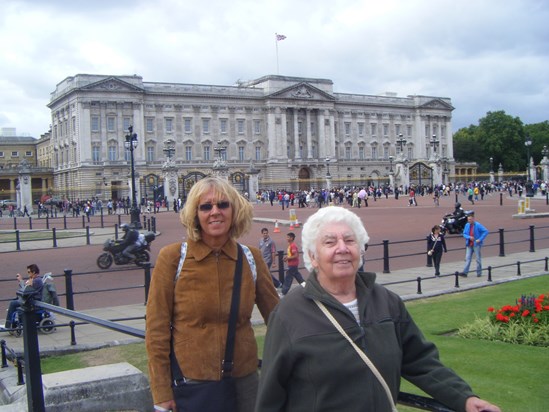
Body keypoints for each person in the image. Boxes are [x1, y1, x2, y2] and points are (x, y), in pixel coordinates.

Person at [255, 207, 501, 412]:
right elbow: (271, 395)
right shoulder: (289, 313)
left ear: (360, 251)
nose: (342, 248)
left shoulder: (387, 301)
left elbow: (420, 360)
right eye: (330, 242)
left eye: (350, 240)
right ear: (313, 256)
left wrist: (464, 398)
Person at [145, 177, 279, 412]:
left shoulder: (251, 258)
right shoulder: (173, 258)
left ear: (234, 210)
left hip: (244, 381)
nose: (215, 212)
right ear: (195, 214)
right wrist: (161, 391)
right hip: (193, 380)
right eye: (206, 206)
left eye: (223, 205)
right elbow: (156, 328)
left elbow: (279, 320)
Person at [3, 264, 43, 330]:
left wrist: (21, 281)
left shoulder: (37, 280)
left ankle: (8, 324)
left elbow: (26, 291)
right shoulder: (33, 279)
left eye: (28, 272)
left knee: (13, 303)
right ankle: (10, 323)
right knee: (14, 301)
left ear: (33, 272)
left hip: (32, 301)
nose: (27, 274)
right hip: (28, 300)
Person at [460, 212, 489, 277]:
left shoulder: (478, 225)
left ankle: (479, 273)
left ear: (473, 219)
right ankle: (465, 272)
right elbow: (464, 234)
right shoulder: (467, 225)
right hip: (469, 244)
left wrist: (480, 239)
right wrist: (469, 237)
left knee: (478, 259)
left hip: (476, 244)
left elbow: (486, 231)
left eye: (470, 219)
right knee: (468, 258)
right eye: (468, 219)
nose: (469, 221)